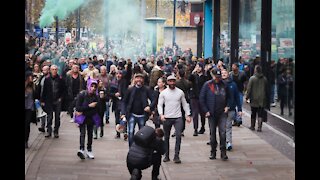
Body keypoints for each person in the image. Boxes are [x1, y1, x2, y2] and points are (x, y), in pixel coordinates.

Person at [157, 75, 192, 163]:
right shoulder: (163, 93)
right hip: (167, 117)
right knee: (166, 137)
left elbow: (184, 104)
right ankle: (166, 155)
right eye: (170, 81)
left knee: (178, 136)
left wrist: (188, 114)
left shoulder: (180, 92)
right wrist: (161, 114)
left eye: (173, 81)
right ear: (167, 82)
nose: (172, 83)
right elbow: (160, 105)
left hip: (178, 117)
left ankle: (176, 156)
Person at [199, 69, 228, 160]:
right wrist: (206, 110)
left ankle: (223, 152)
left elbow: (230, 97)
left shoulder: (224, 85)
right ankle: (213, 152)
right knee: (212, 134)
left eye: (219, 77)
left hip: (222, 112)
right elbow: (202, 99)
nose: (217, 78)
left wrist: (228, 106)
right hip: (211, 113)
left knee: (223, 133)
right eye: (216, 77)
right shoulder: (207, 85)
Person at [121, 73, 154, 147]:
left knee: (142, 134)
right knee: (130, 132)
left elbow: (154, 100)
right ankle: (131, 149)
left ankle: (141, 149)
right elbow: (124, 101)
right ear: (134, 79)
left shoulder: (146, 89)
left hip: (142, 115)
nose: (139, 80)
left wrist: (150, 107)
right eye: (137, 78)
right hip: (132, 114)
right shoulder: (130, 89)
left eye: (141, 78)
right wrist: (123, 113)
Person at [75, 78, 100, 159]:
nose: (93, 88)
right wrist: (89, 106)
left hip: (90, 118)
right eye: (91, 86)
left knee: (90, 134)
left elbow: (96, 110)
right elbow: (78, 108)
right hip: (82, 118)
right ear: (88, 86)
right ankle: (81, 149)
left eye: (94, 87)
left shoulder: (96, 97)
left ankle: (89, 150)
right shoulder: (82, 95)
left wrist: (84, 111)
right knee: (82, 133)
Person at [41, 65, 65, 138]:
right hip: (49, 100)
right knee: (49, 116)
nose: (54, 71)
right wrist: (42, 100)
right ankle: (49, 131)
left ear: (57, 70)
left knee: (57, 117)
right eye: (53, 69)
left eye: (55, 69)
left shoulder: (60, 79)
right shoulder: (47, 79)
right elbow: (44, 91)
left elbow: (64, 89)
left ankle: (56, 131)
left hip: (57, 100)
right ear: (50, 70)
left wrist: (61, 98)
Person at [221, 69, 242, 151]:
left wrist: (239, 109)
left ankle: (228, 142)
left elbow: (237, 97)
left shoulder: (233, 84)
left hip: (231, 109)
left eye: (225, 73)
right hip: (221, 109)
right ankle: (224, 141)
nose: (223, 74)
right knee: (223, 126)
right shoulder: (219, 84)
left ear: (228, 74)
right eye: (222, 73)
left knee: (228, 125)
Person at [246, 65, 269, 132]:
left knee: (253, 113)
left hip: (254, 98)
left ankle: (252, 126)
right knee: (260, 113)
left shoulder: (252, 78)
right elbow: (267, 89)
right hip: (262, 99)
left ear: (255, 70)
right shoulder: (264, 79)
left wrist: (247, 97)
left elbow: (249, 89)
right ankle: (259, 127)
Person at [25, 71, 36, 148]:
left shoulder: (33, 86)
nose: (32, 78)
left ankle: (26, 140)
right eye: (31, 76)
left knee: (27, 124)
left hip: (30, 108)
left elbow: (36, 95)